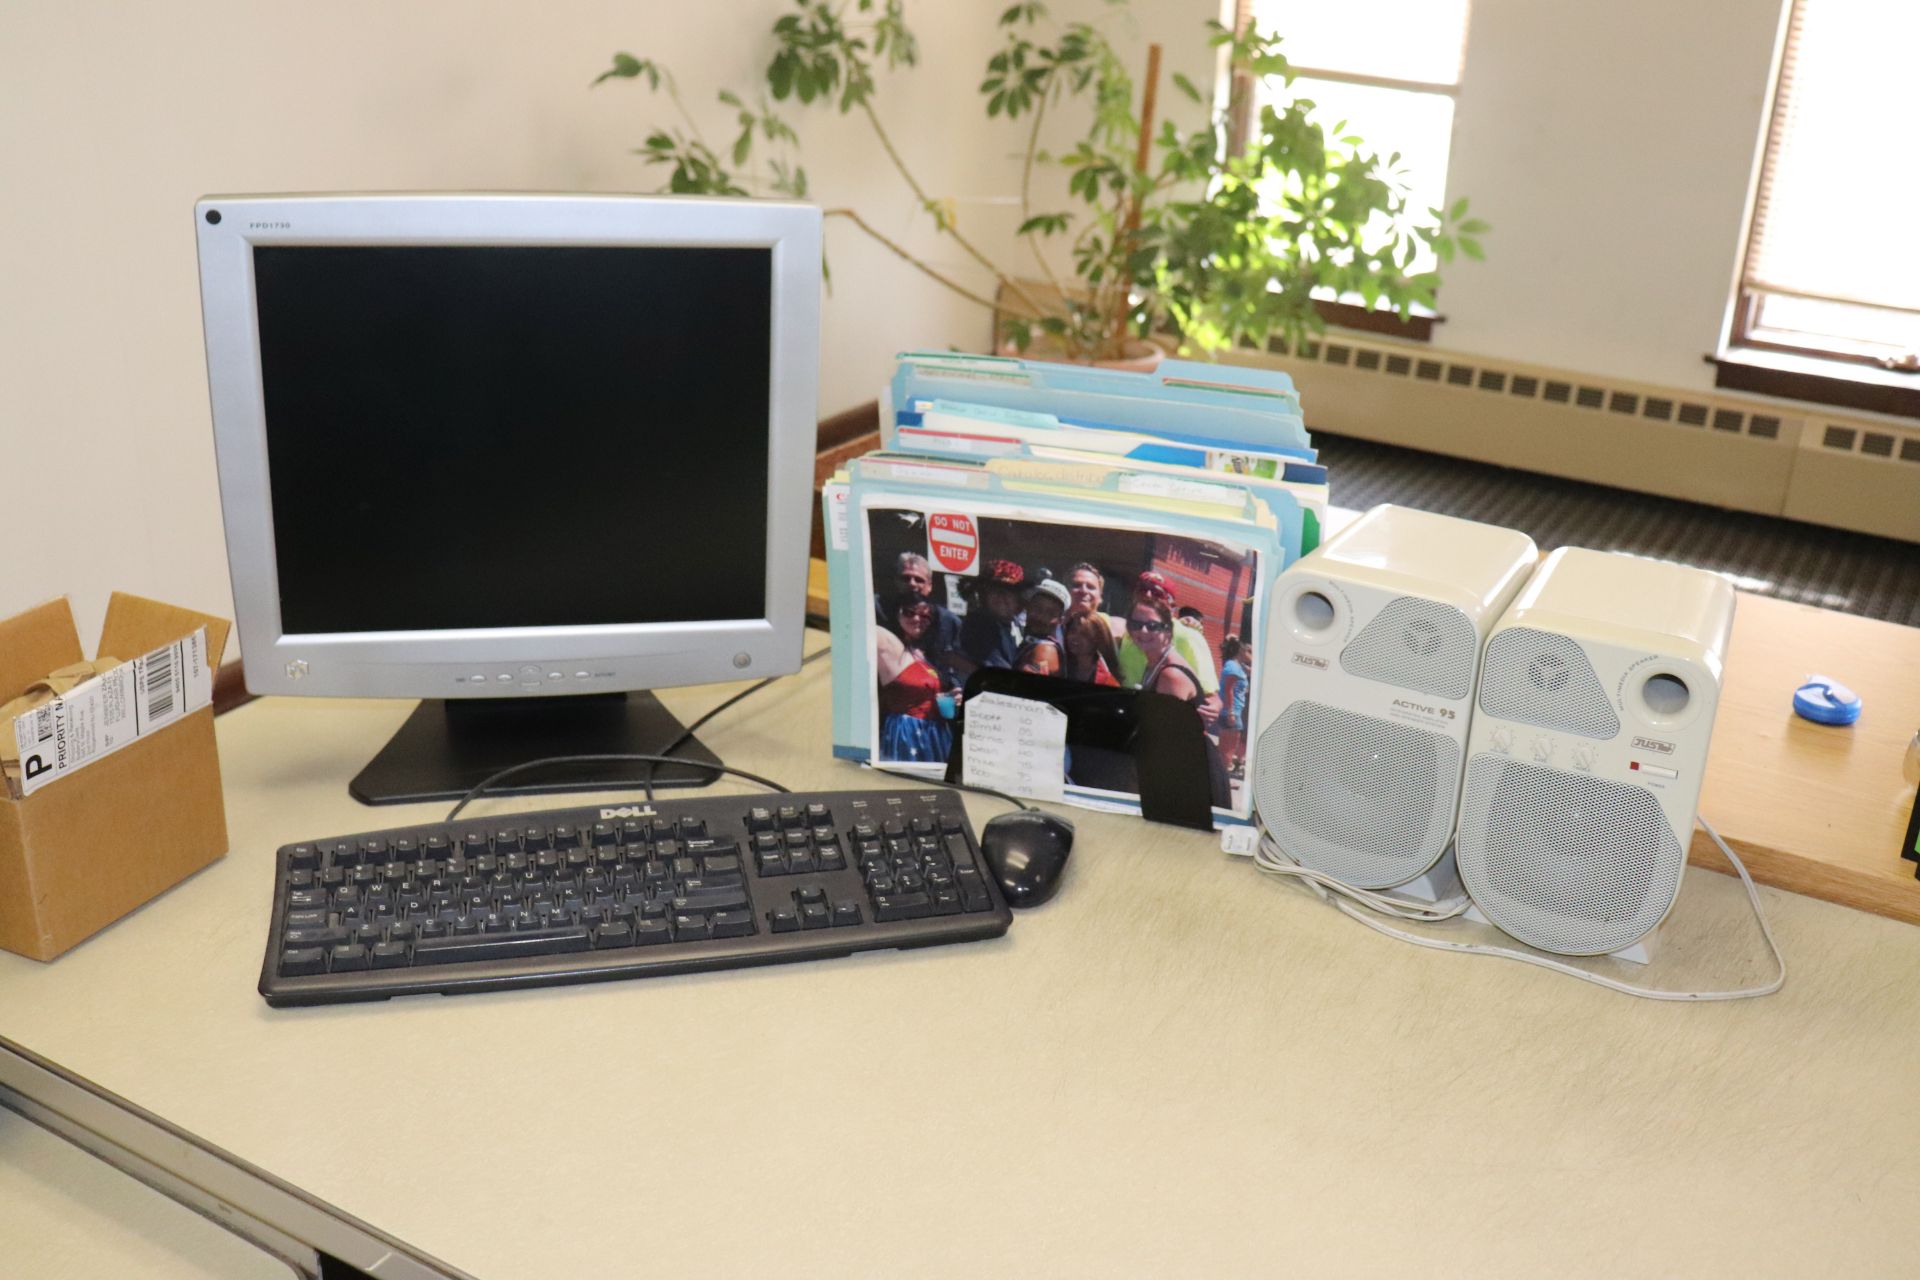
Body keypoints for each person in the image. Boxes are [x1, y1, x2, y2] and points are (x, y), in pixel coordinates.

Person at [1127, 596, 1231, 806]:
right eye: (1136, 624)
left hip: (1190, 773)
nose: (1143, 631)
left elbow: (1165, 740)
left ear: (1168, 631)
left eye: (1152, 626)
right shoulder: (1154, 663)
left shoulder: (1170, 675)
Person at [1114, 572, 1220, 720]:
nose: (1148, 595)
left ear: (1171, 606)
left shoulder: (1189, 637)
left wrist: (1214, 706)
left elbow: (1209, 697)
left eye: (1157, 593)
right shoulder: (1131, 632)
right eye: (1142, 589)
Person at [875, 595, 959, 764]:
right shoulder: (886, 642)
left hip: (935, 734)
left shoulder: (925, 653)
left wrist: (953, 696)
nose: (917, 618)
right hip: (907, 732)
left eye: (925, 616)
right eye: (909, 612)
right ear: (896, 613)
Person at [874, 551, 961, 656]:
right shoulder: (876, 609)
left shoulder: (947, 622)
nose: (912, 583)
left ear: (929, 586)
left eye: (919, 579)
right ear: (896, 581)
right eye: (906, 578)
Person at [959, 559, 1025, 672]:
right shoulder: (978, 624)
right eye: (995, 591)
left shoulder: (1017, 625)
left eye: (1008, 592)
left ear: (1018, 598)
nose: (1002, 598)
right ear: (984, 595)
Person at [1013, 578, 1071, 675]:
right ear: (1028, 608)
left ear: (1060, 621)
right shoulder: (1031, 642)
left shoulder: (1045, 650)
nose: (1041, 617)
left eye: (1050, 613)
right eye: (1037, 608)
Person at [1060, 607, 1121, 686]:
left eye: (1084, 634)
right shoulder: (1058, 658)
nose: (1075, 637)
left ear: (1097, 640)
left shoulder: (1107, 679)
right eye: (1073, 630)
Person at [1218, 635, 1249, 777]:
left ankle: (1220, 777)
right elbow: (1228, 690)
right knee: (1227, 750)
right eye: (1246, 651)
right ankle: (1222, 778)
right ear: (1240, 652)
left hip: (1233, 710)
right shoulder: (1233, 667)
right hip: (1232, 712)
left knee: (1226, 749)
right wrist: (1231, 712)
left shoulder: (1236, 666)